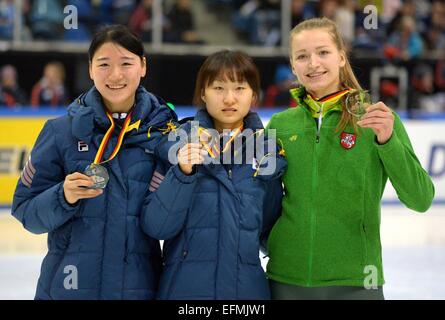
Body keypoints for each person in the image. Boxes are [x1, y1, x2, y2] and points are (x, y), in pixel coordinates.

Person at [265, 17, 435, 300]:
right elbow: (259, 198)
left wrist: (387, 141)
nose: (313, 63)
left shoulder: (377, 120)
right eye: (302, 56)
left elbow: (420, 199)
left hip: (357, 283)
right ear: (293, 66)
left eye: (323, 52)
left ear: (342, 57)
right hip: (285, 280)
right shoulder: (281, 124)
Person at [11, 25, 177, 300]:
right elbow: (25, 211)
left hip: (138, 289)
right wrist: (62, 196)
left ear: (143, 66)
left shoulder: (165, 135)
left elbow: (171, 220)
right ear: (90, 69)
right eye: (104, 64)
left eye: (126, 63)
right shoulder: (60, 132)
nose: (115, 75)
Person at [141, 50, 287, 300]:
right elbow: (156, 226)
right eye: (218, 88)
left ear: (253, 95)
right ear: (202, 93)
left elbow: (269, 232)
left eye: (240, 88)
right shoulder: (177, 143)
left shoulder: (267, 152)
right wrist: (182, 174)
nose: (229, 98)